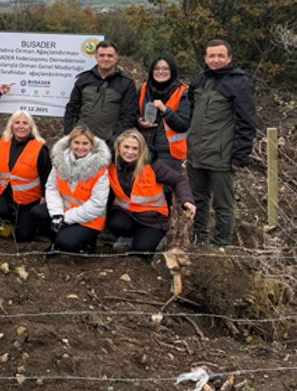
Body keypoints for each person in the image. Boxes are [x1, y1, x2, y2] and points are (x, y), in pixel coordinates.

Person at [187, 39, 256, 246]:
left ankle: (221, 245)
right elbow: (192, 112)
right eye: (211, 56)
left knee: (222, 204)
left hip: (221, 155)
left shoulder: (239, 82)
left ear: (229, 58)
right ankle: (200, 239)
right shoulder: (199, 81)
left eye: (220, 56)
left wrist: (239, 156)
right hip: (196, 155)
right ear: (206, 58)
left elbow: (247, 122)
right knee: (198, 200)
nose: (215, 60)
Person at [106, 129, 196, 253]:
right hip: (126, 213)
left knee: (142, 250)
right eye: (126, 147)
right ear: (118, 146)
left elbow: (178, 180)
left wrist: (187, 200)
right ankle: (127, 239)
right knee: (116, 224)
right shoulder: (111, 163)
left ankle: (158, 239)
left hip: (153, 219)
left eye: (135, 148)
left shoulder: (152, 164)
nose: (129, 152)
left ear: (142, 150)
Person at [44, 125, 111, 253]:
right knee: (38, 213)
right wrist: (57, 214)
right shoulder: (60, 161)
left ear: (92, 146)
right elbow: (52, 188)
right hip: (64, 212)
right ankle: (55, 243)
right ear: (70, 143)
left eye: (85, 143)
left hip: (90, 220)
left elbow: (97, 204)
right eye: (77, 142)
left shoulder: (100, 169)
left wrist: (65, 218)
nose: (80, 147)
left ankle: (87, 245)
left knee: (66, 242)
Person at [0, 111, 52, 242]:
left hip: (29, 199)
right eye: (17, 122)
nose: (21, 126)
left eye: (25, 123)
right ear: (11, 126)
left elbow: (47, 175)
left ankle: (33, 226)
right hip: (5, 193)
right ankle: (9, 220)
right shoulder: (2, 142)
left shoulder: (40, 148)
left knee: (23, 237)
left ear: (31, 127)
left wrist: (45, 197)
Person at [63, 40, 137, 144]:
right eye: (102, 55)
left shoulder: (126, 83)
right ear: (96, 57)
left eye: (109, 56)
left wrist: (115, 140)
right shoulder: (84, 79)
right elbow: (72, 108)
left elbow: (128, 116)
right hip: (81, 142)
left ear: (116, 58)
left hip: (107, 143)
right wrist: (69, 134)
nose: (105, 59)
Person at [137, 55, 190, 172]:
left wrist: (165, 110)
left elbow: (183, 125)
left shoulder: (183, 92)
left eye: (166, 69)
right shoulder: (143, 89)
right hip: (143, 149)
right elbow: (134, 114)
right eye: (156, 69)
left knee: (165, 189)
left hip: (170, 153)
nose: (161, 72)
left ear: (172, 71)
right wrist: (139, 121)